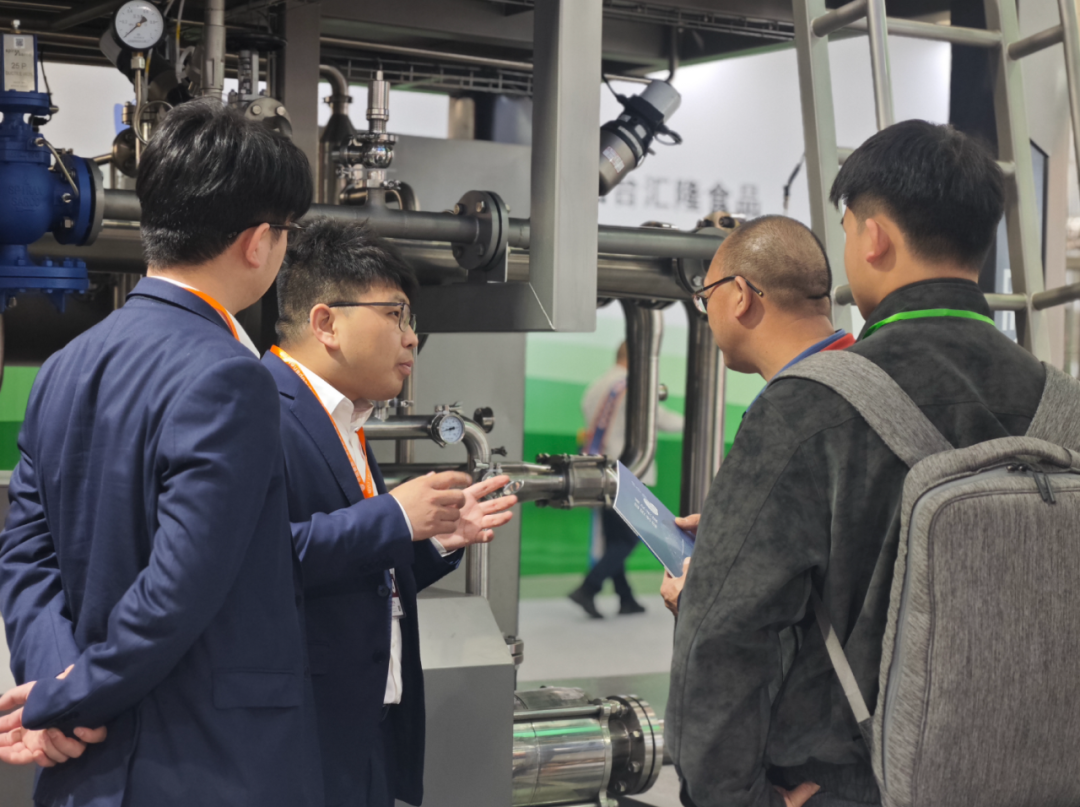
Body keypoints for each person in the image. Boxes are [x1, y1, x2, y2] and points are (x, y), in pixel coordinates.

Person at [667, 119, 1040, 807]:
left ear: (873, 237)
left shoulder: (809, 405)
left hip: (854, 787)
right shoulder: (1064, 408)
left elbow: (724, 635)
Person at [0, 100, 325, 807]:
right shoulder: (231, 376)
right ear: (258, 242)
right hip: (206, 769)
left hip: (83, 772)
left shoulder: (62, 367)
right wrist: (65, 700)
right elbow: (177, 589)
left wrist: (56, 687)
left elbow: (25, 554)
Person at [265, 217, 517, 807]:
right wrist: (395, 518)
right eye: (395, 315)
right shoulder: (260, 408)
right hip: (299, 741)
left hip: (363, 732)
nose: (411, 339)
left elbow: (359, 566)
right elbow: (260, 560)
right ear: (326, 322)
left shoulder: (345, 418)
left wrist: (436, 538)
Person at [658, 214, 855, 616]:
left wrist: (698, 601)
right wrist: (746, 524)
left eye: (706, 296)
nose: (706, 312)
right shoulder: (868, 377)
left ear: (740, 295)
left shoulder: (784, 414)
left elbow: (735, 619)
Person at [569, 342, 684, 618]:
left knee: (614, 538)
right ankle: (588, 588)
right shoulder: (634, 387)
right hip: (630, 471)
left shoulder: (596, 387)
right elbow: (661, 420)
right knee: (629, 538)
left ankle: (626, 598)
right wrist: (693, 417)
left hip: (599, 471)